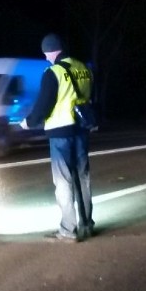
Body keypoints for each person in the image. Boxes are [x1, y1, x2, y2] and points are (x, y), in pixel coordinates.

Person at [20, 33, 95, 242]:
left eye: (46, 54)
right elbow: (89, 96)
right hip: (81, 129)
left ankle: (68, 230)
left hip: (60, 132)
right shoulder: (84, 68)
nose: (46, 58)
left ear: (52, 51)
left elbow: (44, 104)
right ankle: (87, 224)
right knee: (83, 178)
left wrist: (29, 122)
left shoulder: (53, 72)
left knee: (63, 181)